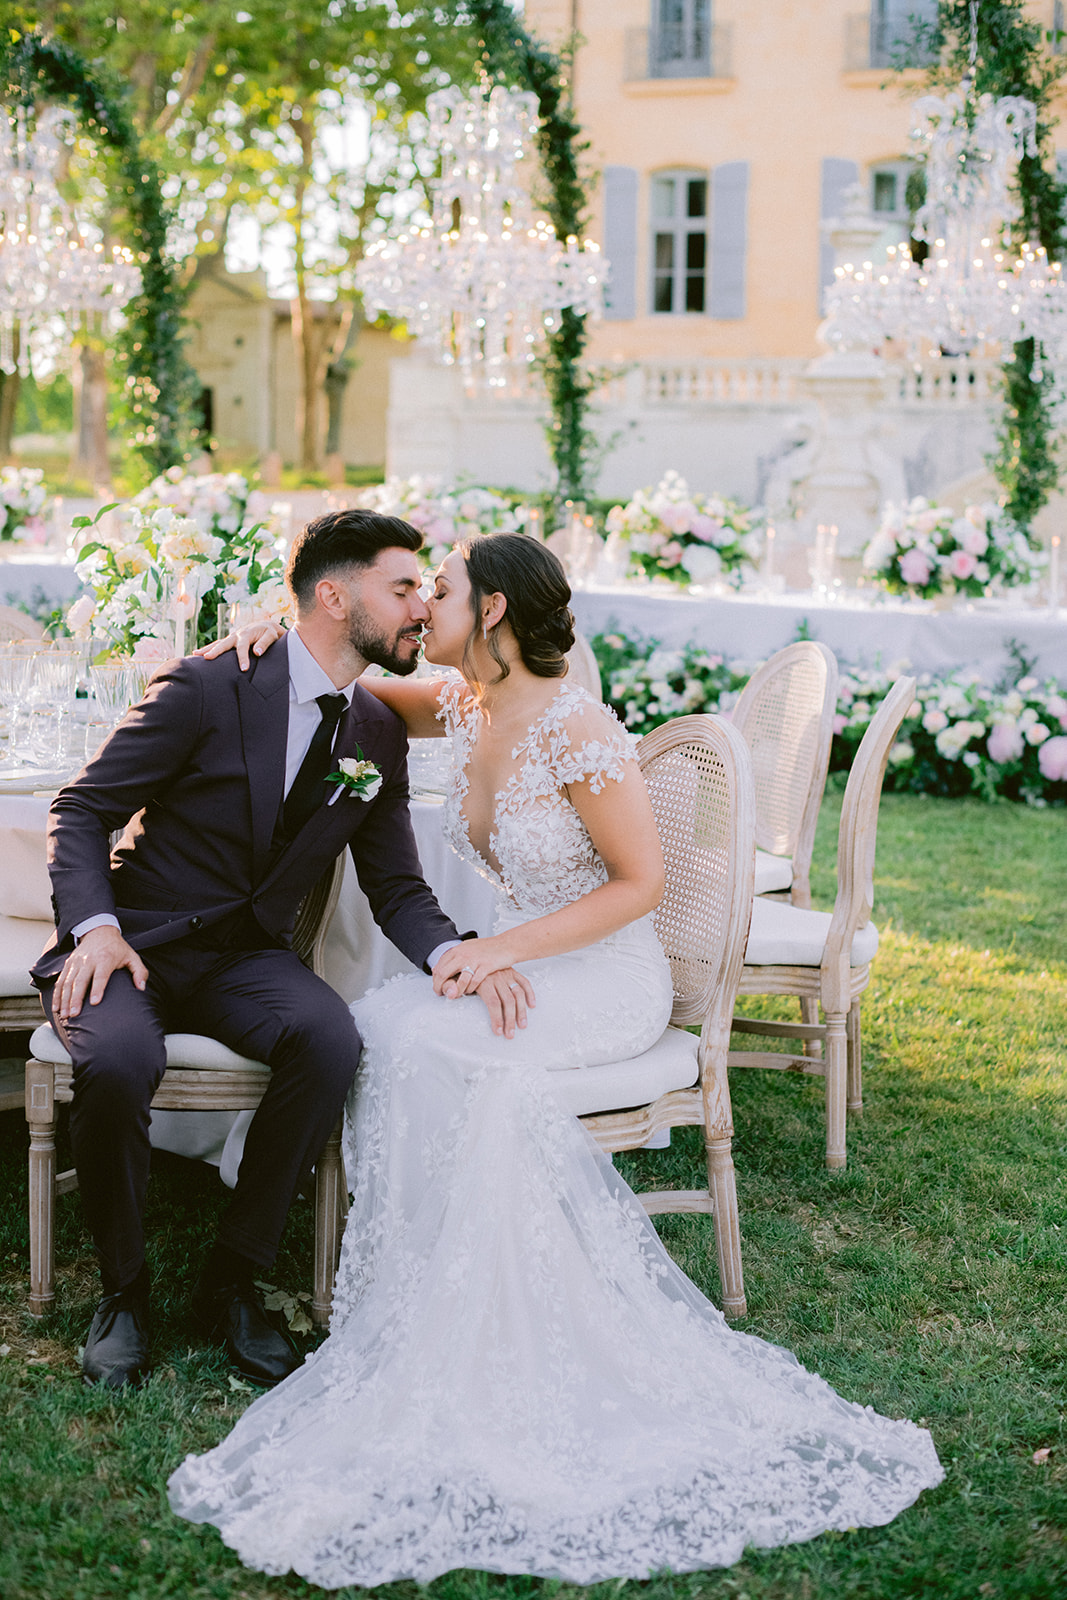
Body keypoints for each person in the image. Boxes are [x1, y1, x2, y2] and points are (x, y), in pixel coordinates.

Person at [168, 532, 942, 1584]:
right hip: (531, 962)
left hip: (605, 979)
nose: (419, 607)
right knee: (393, 1029)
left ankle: (487, 1328)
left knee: (443, 1051)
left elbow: (641, 883)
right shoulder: (465, 705)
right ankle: (424, 1302)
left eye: (437, 593)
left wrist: (499, 951)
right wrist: (269, 638)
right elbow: (345, 686)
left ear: (489, 613)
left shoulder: (575, 723)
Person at [31, 510, 531, 1393]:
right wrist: (96, 930)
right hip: (135, 941)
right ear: (334, 597)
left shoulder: (373, 730)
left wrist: (457, 955)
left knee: (329, 1038)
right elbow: (80, 810)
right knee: (117, 1062)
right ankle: (124, 1291)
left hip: (245, 961)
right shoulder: (206, 687)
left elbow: (398, 888)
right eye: (403, 587)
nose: (421, 606)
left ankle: (234, 1278)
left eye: (425, 588)